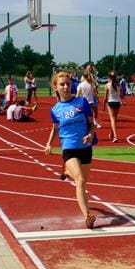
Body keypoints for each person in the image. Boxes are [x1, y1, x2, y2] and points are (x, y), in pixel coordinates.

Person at [45, 71, 96, 229]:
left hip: (85, 147)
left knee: (84, 181)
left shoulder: (81, 102)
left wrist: (90, 134)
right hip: (69, 148)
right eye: (62, 84)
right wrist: (48, 144)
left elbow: (92, 124)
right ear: (56, 87)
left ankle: (67, 171)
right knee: (80, 180)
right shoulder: (55, 110)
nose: (66, 87)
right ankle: (87, 216)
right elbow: (55, 128)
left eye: (68, 83)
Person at [103, 71, 121, 142]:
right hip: (117, 102)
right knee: (114, 120)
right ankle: (112, 134)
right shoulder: (118, 84)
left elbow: (105, 97)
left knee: (112, 119)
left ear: (109, 77)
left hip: (111, 102)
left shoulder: (107, 85)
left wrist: (103, 105)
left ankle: (115, 136)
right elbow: (121, 94)